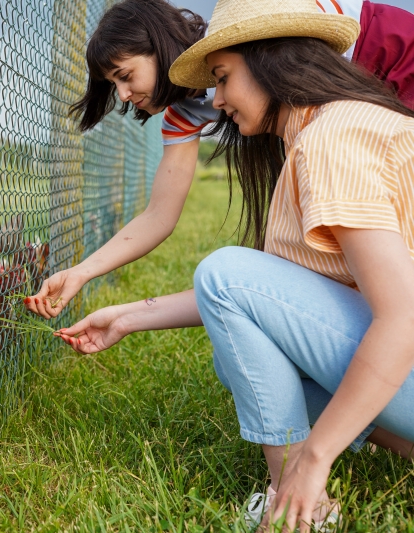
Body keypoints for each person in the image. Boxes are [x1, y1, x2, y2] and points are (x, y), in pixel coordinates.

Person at [52, 0, 414, 529]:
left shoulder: (333, 135)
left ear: (271, 61)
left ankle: (297, 500)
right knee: (239, 355)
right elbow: (272, 297)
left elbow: (400, 316)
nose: (218, 101)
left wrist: (315, 459)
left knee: (227, 275)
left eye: (223, 78)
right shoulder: (303, 138)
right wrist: (125, 313)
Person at [24, 0, 414, 320]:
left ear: (159, 48)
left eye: (125, 75)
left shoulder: (245, 34)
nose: (123, 95)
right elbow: (159, 215)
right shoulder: (186, 113)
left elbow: (323, 41)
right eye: (113, 85)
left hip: (387, 57)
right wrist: (81, 272)